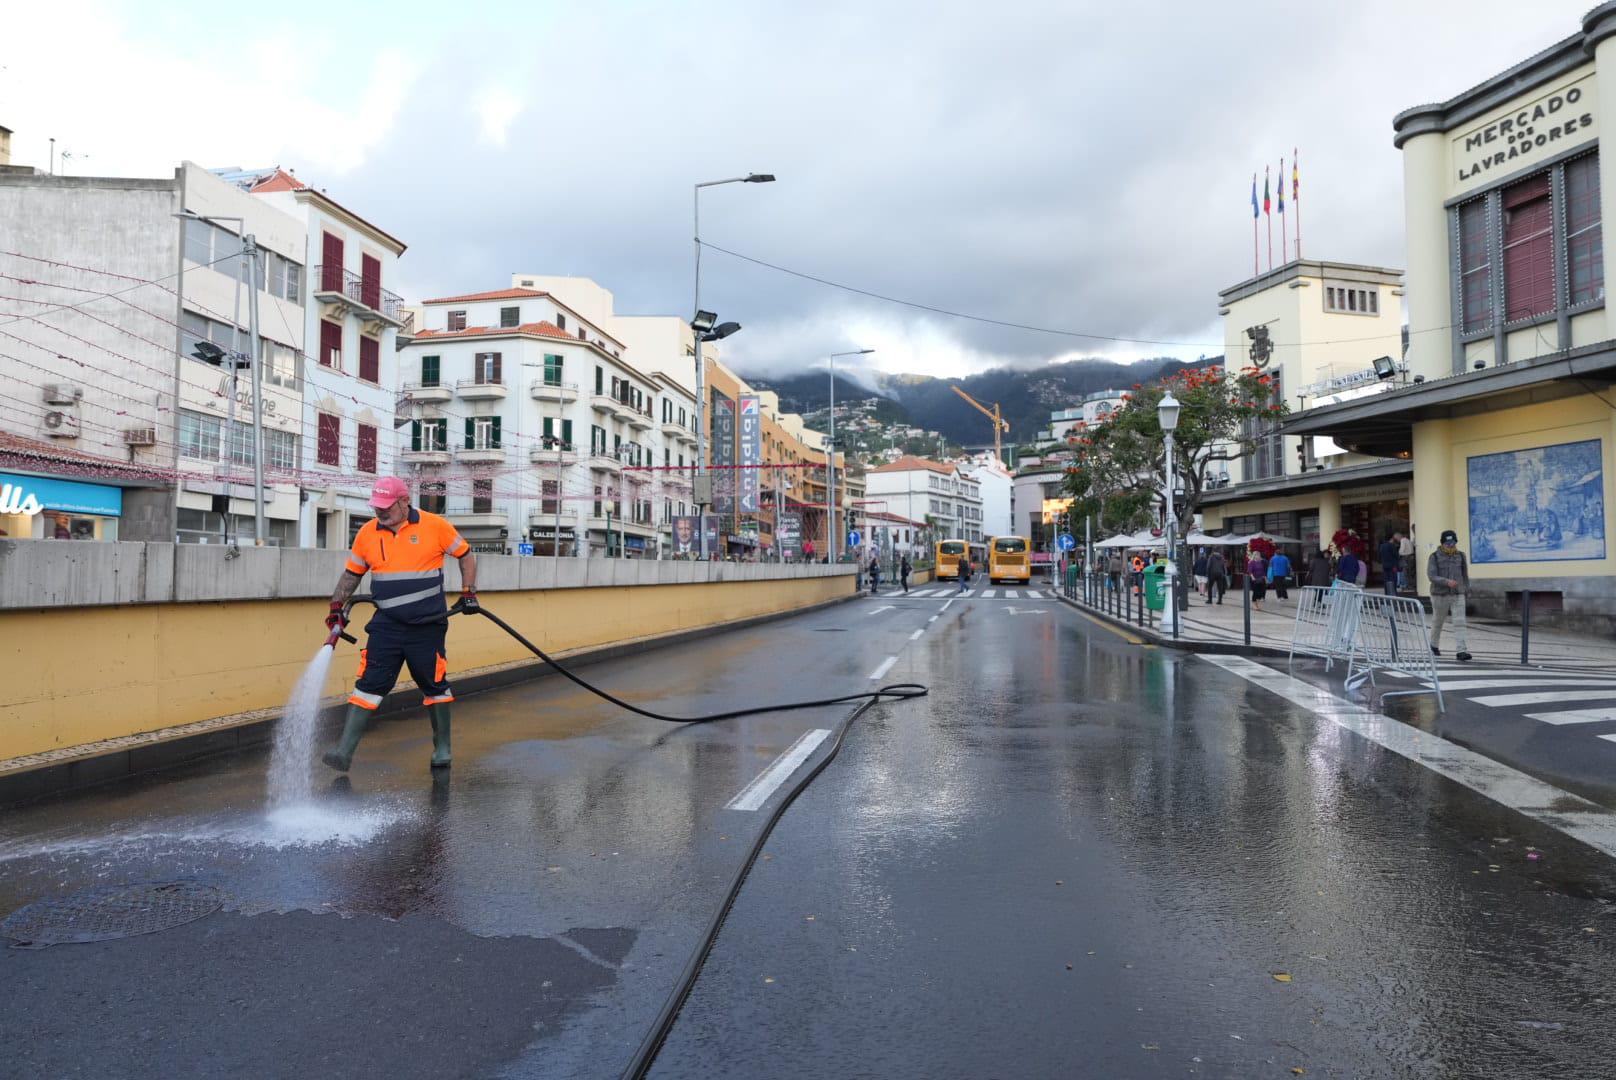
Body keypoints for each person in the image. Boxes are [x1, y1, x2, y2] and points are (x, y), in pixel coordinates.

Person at [322, 476, 478, 772]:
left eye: (386, 506)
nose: (380, 512)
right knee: (368, 684)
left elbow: (466, 556)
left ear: (405, 501)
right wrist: (336, 605)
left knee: (434, 685)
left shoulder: (435, 526)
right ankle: (344, 752)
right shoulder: (367, 533)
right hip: (387, 625)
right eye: (376, 507)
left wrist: (468, 592)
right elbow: (352, 575)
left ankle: (442, 748)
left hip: (427, 625)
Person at [1427, 529, 1472, 661]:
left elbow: (1465, 575)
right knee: (1438, 622)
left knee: (1460, 622)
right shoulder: (1434, 556)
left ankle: (1461, 651)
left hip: (1457, 594)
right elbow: (1431, 576)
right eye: (1448, 543)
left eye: (1453, 543)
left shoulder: (1461, 556)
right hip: (1440, 595)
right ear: (1442, 543)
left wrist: (1466, 589)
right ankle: (1433, 646)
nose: (1451, 545)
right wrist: (1446, 582)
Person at [1378, 532, 1402, 596]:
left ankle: (1387, 592)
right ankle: (1393, 592)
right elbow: (1396, 555)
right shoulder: (1392, 545)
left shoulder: (1381, 546)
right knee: (1393, 579)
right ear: (1391, 539)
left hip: (1384, 565)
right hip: (1392, 566)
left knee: (1386, 579)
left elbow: (1379, 556)